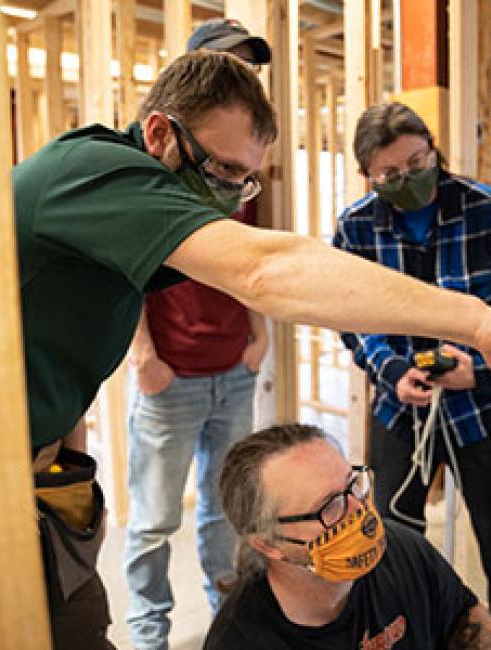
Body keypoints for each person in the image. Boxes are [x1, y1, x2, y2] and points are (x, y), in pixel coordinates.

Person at [14, 49, 491, 649]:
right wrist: (480, 324)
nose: (233, 193)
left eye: (244, 178)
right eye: (222, 171)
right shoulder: (93, 172)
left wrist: (67, 461)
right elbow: (270, 271)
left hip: (44, 484)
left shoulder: (490, 212)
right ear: (158, 134)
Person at [331, 101, 491, 642]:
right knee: (392, 545)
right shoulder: (356, 228)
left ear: (434, 149)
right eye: (390, 174)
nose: (408, 178)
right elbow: (345, 315)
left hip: (489, 410)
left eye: (418, 161)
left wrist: (487, 371)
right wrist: (393, 369)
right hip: (400, 407)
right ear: (369, 176)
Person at [124, 20, 271, 650]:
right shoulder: (152, 165)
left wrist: (258, 332)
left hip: (233, 369)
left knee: (223, 514)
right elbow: (124, 266)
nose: (243, 74)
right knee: (154, 521)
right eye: (229, 63)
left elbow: (256, 261)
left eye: (249, 66)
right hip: (172, 373)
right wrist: (144, 354)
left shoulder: (243, 167)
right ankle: (149, 635)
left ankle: (225, 624)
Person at [203, 423, 491, 649]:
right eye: (329, 506)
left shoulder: (401, 547)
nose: (358, 511)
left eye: (353, 486)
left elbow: (463, 616)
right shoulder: (240, 639)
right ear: (268, 544)